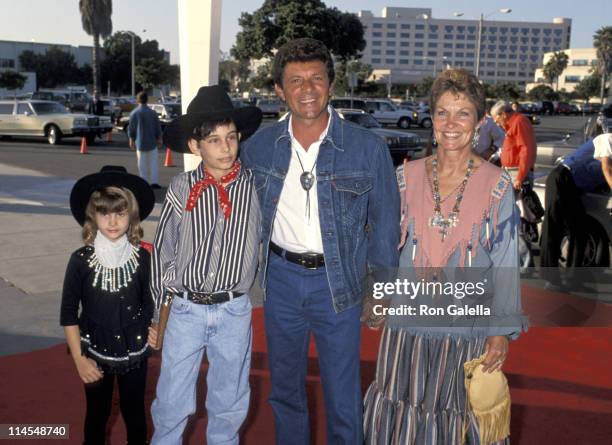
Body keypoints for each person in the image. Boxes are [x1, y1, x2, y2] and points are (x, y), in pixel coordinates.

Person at [241, 38, 400, 445]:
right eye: (295, 80)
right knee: (285, 392)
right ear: (279, 90)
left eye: (316, 78)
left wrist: (380, 290)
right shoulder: (257, 148)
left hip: (340, 283)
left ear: (331, 84)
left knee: (343, 395)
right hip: (281, 281)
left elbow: (385, 223)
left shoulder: (368, 148)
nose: (307, 89)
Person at [363, 69, 528, 444]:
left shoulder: (497, 187)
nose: (451, 124)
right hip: (405, 331)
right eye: (442, 113)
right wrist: (377, 293)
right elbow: (384, 245)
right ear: (431, 118)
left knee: (454, 424)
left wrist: (500, 332)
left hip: (464, 333)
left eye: (463, 113)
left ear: (480, 120)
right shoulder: (404, 178)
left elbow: (504, 262)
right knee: (399, 418)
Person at [148, 85, 262, 444]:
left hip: (233, 310)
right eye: (214, 140)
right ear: (195, 146)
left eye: (231, 137)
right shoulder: (182, 187)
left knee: (229, 401)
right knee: (172, 399)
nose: (226, 147)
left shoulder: (255, 187)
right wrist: (158, 313)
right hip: (185, 309)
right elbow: (165, 252)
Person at [60, 165, 155, 445]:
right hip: (94, 352)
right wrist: (79, 359)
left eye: (120, 213)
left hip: (134, 350)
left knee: (135, 413)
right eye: (104, 213)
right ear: (93, 215)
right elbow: (68, 314)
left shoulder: (143, 258)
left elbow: (151, 303)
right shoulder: (79, 260)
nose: (112, 221)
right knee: (97, 414)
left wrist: (157, 327)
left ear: (132, 215)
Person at [540, 133, 612, 278]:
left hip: (574, 188)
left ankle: (573, 277)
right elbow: (607, 168)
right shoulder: (608, 138)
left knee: (579, 230)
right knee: (554, 228)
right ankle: (550, 278)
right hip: (562, 178)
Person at [491, 100, 537, 191]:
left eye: (497, 120)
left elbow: (525, 149)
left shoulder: (519, 122)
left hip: (516, 173)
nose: (496, 123)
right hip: (508, 171)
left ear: (503, 114)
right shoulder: (512, 124)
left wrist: (520, 177)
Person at [128, 91, 163, 189]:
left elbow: (132, 128)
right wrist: (159, 138)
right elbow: (157, 127)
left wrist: (131, 139)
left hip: (140, 142)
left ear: (137, 100)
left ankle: (144, 182)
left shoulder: (134, 113)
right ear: (147, 100)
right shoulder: (152, 112)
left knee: (141, 163)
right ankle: (154, 182)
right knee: (153, 162)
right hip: (152, 141)